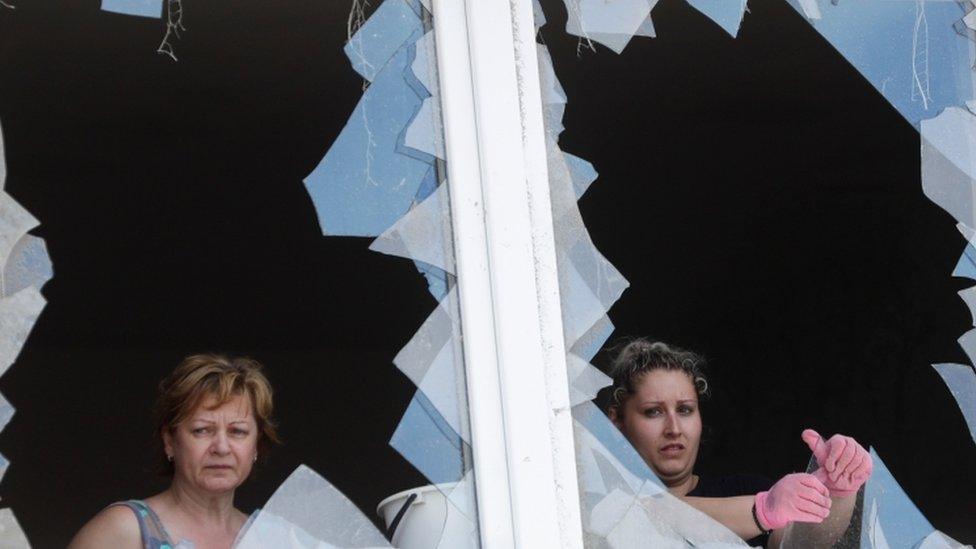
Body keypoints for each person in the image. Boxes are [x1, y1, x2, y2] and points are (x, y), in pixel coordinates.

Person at [607, 338, 872, 547]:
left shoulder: (747, 489)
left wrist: (837, 493)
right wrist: (762, 511)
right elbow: (646, 513)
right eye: (653, 411)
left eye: (685, 409)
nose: (674, 428)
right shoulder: (589, 499)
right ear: (617, 421)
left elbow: (799, 546)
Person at [69, 354, 281, 549]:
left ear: (256, 446)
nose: (221, 447)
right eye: (202, 430)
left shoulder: (271, 538)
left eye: (237, 431)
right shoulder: (123, 530)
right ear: (169, 441)